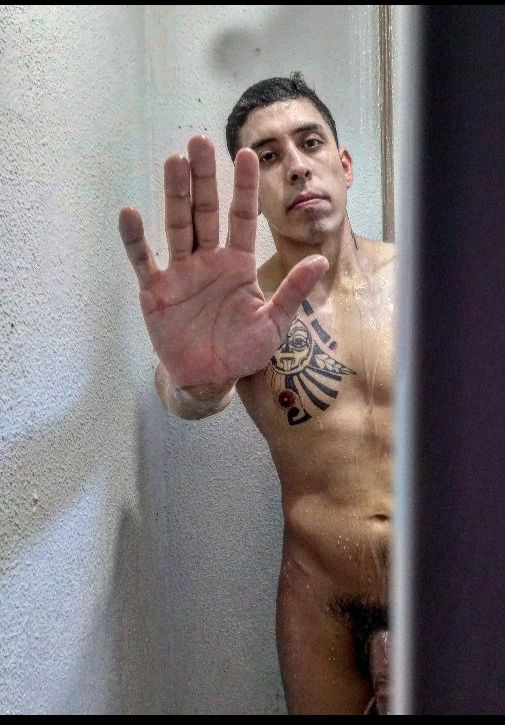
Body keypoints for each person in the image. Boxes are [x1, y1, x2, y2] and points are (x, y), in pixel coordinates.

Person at [118, 72, 396, 715]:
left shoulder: (429, 279)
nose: (295, 167)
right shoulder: (246, 309)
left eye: (310, 142)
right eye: (268, 157)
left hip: (451, 581)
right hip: (320, 600)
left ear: (345, 164)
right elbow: (187, 397)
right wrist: (197, 378)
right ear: (256, 191)